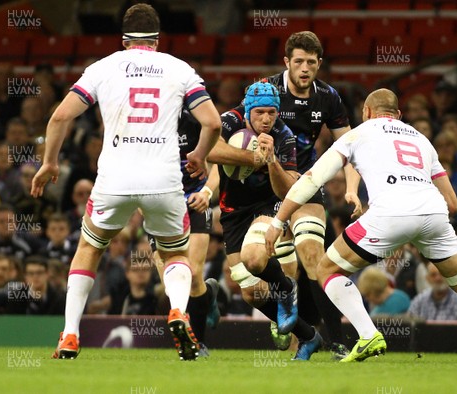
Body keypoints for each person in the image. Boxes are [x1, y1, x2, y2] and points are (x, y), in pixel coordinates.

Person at [265, 88, 457, 364]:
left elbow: (311, 179)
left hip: (389, 214)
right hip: (434, 214)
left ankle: (368, 335)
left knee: (327, 269)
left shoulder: (358, 133)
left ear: (367, 112)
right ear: (398, 115)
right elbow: (453, 203)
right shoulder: (421, 139)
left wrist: (279, 221)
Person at [30, 3, 221, 360]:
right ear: (157, 39)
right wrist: (197, 154)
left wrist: (49, 163)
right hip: (164, 180)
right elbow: (212, 123)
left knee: (89, 248)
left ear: (123, 39)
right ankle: (178, 311)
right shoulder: (179, 69)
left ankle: (70, 335)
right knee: (174, 252)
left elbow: (59, 117)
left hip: (114, 180)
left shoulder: (102, 68)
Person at [212, 31, 359, 358]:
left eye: (311, 62)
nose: (304, 68)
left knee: (311, 255)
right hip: (261, 189)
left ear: (319, 64)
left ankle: (338, 341)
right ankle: (303, 336)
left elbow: (350, 148)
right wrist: (250, 161)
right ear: (286, 63)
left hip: (303, 183)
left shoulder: (329, 98)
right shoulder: (266, 94)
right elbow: (229, 137)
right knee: (253, 289)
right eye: (298, 61)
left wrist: (352, 188)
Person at [208, 81, 322, 360]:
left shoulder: (285, 137)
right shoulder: (228, 121)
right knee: (252, 294)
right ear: (247, 111)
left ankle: (285, 288)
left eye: (272, 112)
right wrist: (253, 157)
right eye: (259, 112)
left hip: (267, 205)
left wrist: (270, 160)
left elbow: (287, 191)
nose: (266, 119)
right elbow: (210, 151)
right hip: (233, 211)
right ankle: (309, 336)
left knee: (256, 259)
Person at [147, 107, 222, 355]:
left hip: (194, 201)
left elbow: (218, 168)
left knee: (193, 273)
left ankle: (198, 343)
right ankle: (209, 295)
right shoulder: (146, 127)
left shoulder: (199, 123)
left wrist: (206, 193)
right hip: (159, 206)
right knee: (171, 285)